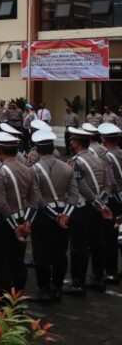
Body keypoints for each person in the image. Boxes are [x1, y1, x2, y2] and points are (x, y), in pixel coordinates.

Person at [0, 130, 40, 299]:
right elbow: (35, 199)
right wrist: (27, 222)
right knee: (18, 262)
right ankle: (17, 299)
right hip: (21, 219)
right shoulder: (28, 170)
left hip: (4, 224)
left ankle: (2, 302)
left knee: (2, 265)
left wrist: (15, 226)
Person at [29, 129, 77, 304]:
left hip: (43, 216)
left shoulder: (33, 170)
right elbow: (74, 196)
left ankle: (44, 290)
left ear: (38, 150)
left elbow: (37, 197)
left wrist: (53, 215)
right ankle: (57, 288)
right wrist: (65, 215)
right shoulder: (67, 167)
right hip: (64, 215)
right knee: (60, 252)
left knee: (42, 252)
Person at [65, 127, 114, 295]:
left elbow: (81, 185)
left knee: (79, 246)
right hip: (98, 209)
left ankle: (78, 284)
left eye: (72, 140)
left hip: (83, 208)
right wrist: (101, 202)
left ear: (77, 143)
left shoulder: (75, 161)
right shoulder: (98, 160)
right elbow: (109, 184)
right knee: (97, 244)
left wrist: (94, 201)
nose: (70, 143)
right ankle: (98, 279)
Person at [98, 122, 122, 284]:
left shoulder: (107, 156)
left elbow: (111, 182)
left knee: (109, 237)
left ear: (104, 138)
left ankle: (111, 271)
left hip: (114, 198)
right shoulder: (120, 152)